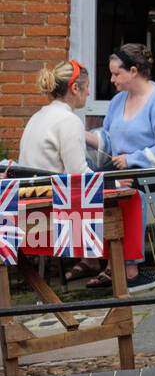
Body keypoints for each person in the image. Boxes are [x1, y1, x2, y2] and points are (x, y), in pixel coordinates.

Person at [84, 44, 155, 292]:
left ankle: (129, 270)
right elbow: (109, 140)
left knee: (123, 191)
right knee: (90, 184)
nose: (111, 79)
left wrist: (133, 159)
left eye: (116, 74)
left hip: (150, 174)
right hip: (120, 170)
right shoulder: (117, 101)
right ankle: (103, 261)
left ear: (133, 71)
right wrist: (81, 135)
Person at [19, 61, 94, 283]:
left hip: (29, 204)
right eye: (87, 86)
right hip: (51, 210)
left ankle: (93, 263)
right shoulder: (68, 120)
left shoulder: (38, 116)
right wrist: (116, 184)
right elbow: (77, 173)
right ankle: (124, 274)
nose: (89, 92)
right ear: (75, 88)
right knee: (127, 200)